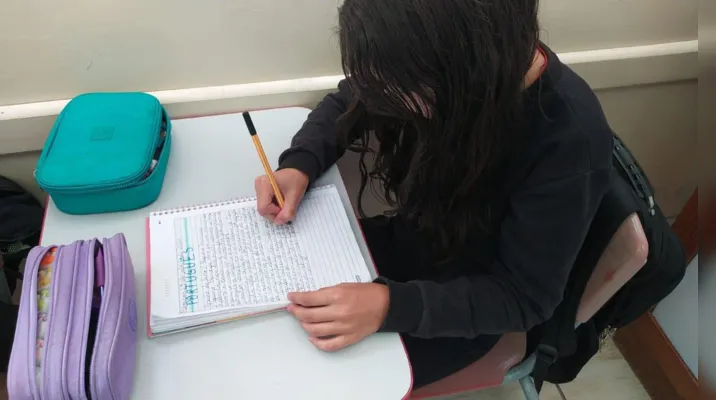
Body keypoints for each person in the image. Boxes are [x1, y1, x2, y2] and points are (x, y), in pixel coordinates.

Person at [254, 0, 614, 388]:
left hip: (462, 312)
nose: (389, 100)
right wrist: (299, 164)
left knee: (303, 381)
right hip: (412, 247)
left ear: (465, 68)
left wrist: (389, 306)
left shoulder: (569, 141)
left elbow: (522, 298)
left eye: (405, 89)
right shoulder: (453, 68)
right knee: (269, 319)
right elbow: (351, 98)